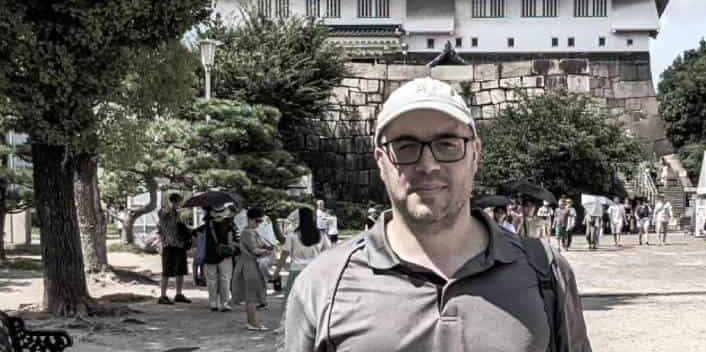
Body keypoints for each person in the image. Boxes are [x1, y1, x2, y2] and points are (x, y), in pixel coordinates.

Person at [283, 76, 592, 351]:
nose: (428, 165)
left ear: (475, 154)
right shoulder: (324, 284)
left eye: (447, 144)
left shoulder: (544, 272)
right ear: (380, 161)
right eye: (405, 146)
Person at [231, 206, 272, 332]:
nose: (259, 223)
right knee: (252, 297)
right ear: (249, 219)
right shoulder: (248, 232)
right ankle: (253, 323)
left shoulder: (250, 231)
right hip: (250, 265)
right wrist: (267, 250)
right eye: (257, 221)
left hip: (251, 264)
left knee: (252, 296)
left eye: (260, 221)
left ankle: (252, 322)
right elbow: (255, 249)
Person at [273, 206, 331, 295]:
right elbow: (327, 255)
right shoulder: (322, 235)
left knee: (293, 302)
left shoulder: (292, 236)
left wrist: (276, 272)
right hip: (314, 271)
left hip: (296, 271)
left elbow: (284, 255)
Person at [156, 193, 192, 305]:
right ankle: (163, 295)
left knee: (180, 271)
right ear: (174, 201)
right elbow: (162, 215)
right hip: (168, 245)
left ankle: (178, 294)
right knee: (166, 271)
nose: (180, 204)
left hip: (179, 245)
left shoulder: (178, 214)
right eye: (179, 201)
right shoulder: (164, 212)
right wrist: (170, 204)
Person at [203, 204, 237, 312]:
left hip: (210, 254)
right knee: (225, 279)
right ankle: (224, 303)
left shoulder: (208, 223)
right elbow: (231, 240)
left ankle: (213, 302)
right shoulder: (229, 223)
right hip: (225, 254)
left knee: (212, 280)